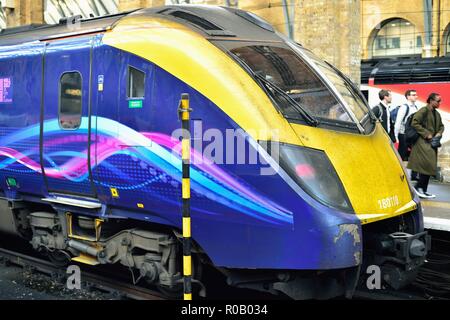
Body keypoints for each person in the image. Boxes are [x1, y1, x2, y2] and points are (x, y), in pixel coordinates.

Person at [407, 93, 444, 199]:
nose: (439, 103)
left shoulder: (436, 113)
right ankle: (418, 187)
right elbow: (415, 122)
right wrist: (426, 133)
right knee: (427, 165)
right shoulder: (423, 110)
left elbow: (441, 126)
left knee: (430, 166)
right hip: (422, 142)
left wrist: (439, 133)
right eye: (438, 101)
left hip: (431, 143)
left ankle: (423, 190)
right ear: (431, 100)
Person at [394, 89, 419, 180]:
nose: (415, 96)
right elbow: (398, 122)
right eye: (413, 95)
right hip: (403, 134)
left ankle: (414, 176)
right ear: (408, 96)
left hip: (412, 135)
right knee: (402, 155)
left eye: (416, 95)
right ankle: (398, 174)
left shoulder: (415, 107)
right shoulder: (404, 107)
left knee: (415, 155)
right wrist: (396, 136)